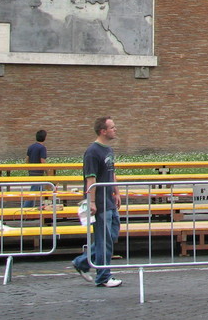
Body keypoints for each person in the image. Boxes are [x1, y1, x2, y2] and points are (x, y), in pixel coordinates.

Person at [71, 117, 122, 288]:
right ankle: (103, 276)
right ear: (103, 131)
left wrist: (116, 192)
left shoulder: (109, 150)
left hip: (109, 200)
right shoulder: (92, 152)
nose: (115, 129)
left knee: (110, 236)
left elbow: (112, 172)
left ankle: (82, 262)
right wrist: (91, 201)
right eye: (112, 127)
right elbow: (90, 179)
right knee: (104, 239)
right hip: (100, 202)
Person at [23, 129, 48, 208]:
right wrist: (47, 171)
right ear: (44, 138)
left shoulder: (31, 147)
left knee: (41, 189)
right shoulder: (42, 148)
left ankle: (46, 204)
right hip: (39, 172)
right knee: (34, 190)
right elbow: (42, 160)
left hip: (32, 171)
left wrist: (29, 168)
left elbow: (27, 159)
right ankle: (26, 207)